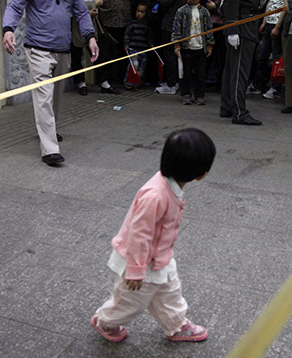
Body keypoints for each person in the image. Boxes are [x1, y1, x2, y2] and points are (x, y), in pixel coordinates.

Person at [91, 128, 216, 343]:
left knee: (170, 292)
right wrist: (136, 269)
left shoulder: (169, 184)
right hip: (138, 261)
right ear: (201, 174)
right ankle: (106, 321)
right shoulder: (155, 196)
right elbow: (139, 234)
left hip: (159, 257)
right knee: (131, 302)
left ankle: (176, 324)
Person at [2, 0, 98, 166]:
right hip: (38, 49)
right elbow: (15, 6)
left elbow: (81, 11)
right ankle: (49, 149)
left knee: (55, 95)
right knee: (43, 96)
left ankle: (48, 129)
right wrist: (8, 29)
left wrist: (91, 37)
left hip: (63, 48)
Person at [220, 0, 266, 126]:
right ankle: (239, 112)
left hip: (247, 26)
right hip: (240, 28)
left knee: (233, 69)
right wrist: (232, 30)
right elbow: (231, 2)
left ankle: (227, 106)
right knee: (239, 71)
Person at [95, 0, 139, 93]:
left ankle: (121, 80)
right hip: (106, 20)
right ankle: (104, 81)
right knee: (105, 53)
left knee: (123, 52)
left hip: (125, 21)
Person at [254, 0, 292, 99]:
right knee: (262, 55)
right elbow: (270, 2)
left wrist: (277, 26)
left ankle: (275, 87)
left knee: (277, 58)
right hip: (269, 22)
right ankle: (258, 84)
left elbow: (285, 6)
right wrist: (264, 21)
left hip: (279, 24)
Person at [171, 0, 214, 105]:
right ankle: (186, 94)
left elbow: (209, 29)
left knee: (200, 74)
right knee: (186, 73)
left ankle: (199, 95)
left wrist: (210, 45)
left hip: (201, 48)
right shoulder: (181, 11)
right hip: (186, 48)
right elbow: (176, 29)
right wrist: (177, 45)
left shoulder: (205, 12)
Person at [152, 0, 187, 95]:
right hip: (178, 22)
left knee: (169, 53)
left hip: (170, 23)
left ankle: (171, 83)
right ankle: (175, 82)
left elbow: (166, 2)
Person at [69, 0, 103, 96]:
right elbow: (69, 4)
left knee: (96, 52)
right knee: (77, 54)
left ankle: (103, 81)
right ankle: (80, 83)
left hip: (93, 20)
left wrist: (89, 7)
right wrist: (86, 11)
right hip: (75, 22)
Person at [123, 3, 152, 88]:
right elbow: (127, 35)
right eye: (138, 11)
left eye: (142, 12)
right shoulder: (132, 24)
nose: (139, 14)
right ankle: (128, 83)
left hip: (143, 49)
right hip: (133, 49)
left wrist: (151, 44)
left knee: (142, 67)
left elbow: (149, 37)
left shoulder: (147, 25)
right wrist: (126, 44)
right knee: (133, 65)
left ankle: (138, 82)